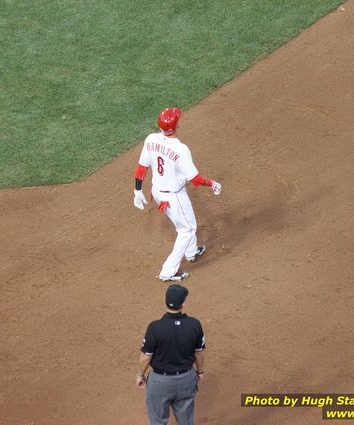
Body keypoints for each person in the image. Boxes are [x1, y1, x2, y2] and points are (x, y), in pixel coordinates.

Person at [133, 107, 221, 281]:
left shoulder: (150, 139)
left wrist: (137, 189)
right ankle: (168, 271)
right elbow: (194, 179)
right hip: (174, 196)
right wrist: (212, 183)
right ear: (176, 126)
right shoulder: (181, 149)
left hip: (157, 192)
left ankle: (191, 252)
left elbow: (142, 167)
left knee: (187, 223)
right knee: (187, 230)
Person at [136, 284, 205, 425]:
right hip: (186, 380)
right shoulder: (194, 325)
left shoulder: (155, 327)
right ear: (183, 304)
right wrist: (200, 372)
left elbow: (145, 357)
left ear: (165, 301)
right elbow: (199, 354)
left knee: (157, 421)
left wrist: (140, 375)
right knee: (186, 422)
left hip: (160, 382)